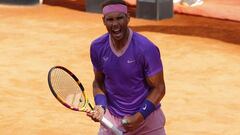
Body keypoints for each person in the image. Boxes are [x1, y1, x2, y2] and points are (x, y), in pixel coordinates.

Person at [86, 0, 166, 134]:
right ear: (103, 21)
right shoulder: (97, 47)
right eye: (110, 19)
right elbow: (99, 82)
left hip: (147, 121)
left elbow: (159, 88)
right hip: (113, 120)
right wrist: (100, 106)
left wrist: (139, 117)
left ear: (128, 18)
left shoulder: (146, 48)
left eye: (120, 18)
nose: (115, 24)